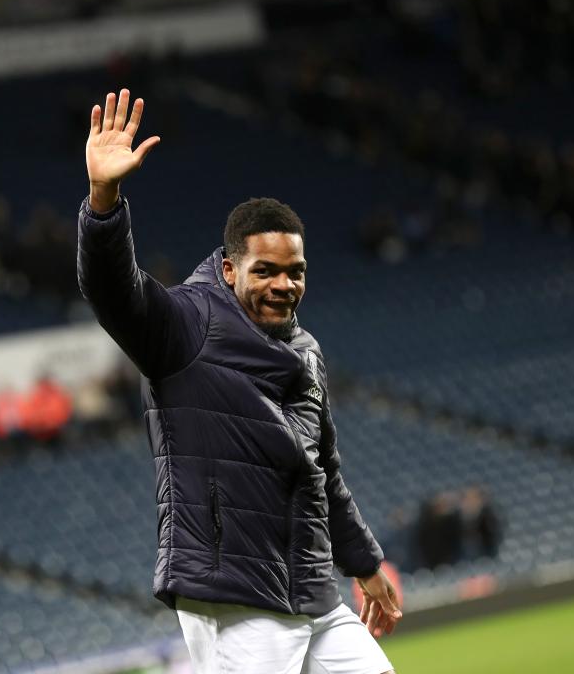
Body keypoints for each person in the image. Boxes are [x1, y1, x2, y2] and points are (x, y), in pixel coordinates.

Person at [77, 89, 401, 674]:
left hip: (311, 586)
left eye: (295, 272)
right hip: (234, 593)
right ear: (229, 270)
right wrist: (104, 201)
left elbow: (322, 471)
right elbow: (113, 292)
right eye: (266, 271)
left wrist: (365, 563)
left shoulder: (305, 352)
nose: (285, 285)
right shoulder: (186, 326)